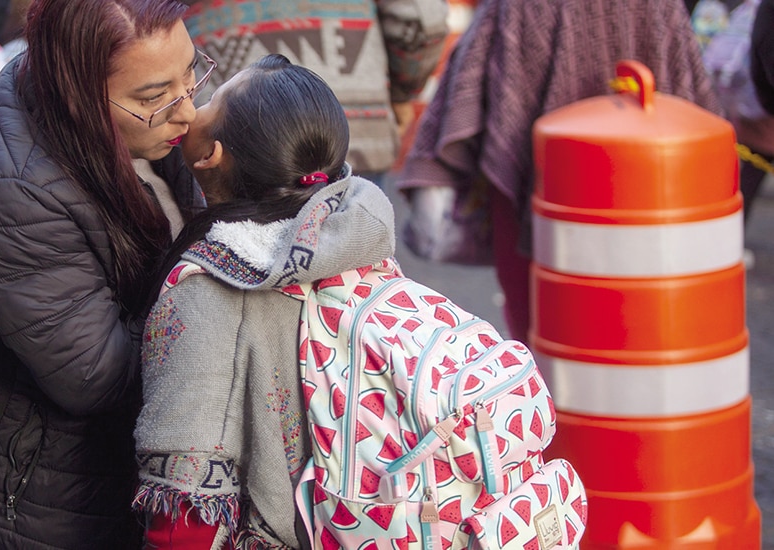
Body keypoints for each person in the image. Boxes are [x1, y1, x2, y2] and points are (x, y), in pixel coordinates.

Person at [0, 0, 208, 547]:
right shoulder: (7, 191)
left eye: (191, 73)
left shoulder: (140, 117)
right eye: (154, 97)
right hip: (46, 493)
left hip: (126, 467)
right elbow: (96, 376)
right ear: (76, 91)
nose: (187, 111)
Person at [133, 54, 396, 548]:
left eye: (207, 102)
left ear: (209, 156)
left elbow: (184, 504)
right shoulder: (362, 246)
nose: (189, 108)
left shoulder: (208, 290)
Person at [396, 0, 722, 343]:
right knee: (646, 325)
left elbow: (469, 86)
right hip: (650, 190)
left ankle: (546, 396)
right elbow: (691, 92)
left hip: (533, 189)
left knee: (544, 328)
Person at [180, 0, 449, 184]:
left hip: (232, 135)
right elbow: (423, 15)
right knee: (356, 254)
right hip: (354, 121)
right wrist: (404, 90)